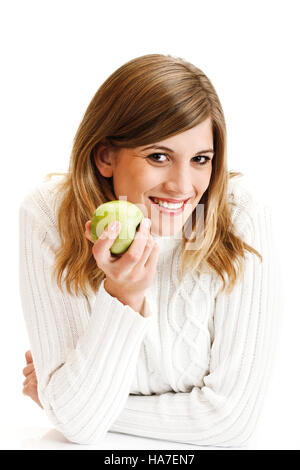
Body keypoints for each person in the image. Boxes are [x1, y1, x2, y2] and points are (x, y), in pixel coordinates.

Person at [19, 53, 282, 447]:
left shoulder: (239, 215)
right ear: (106, 156)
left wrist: (68, 404)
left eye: (200, 160)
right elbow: (75, 426)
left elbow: (230, 422)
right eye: (158, 156)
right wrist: (124, 295)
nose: (182, 186)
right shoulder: (49, 215)